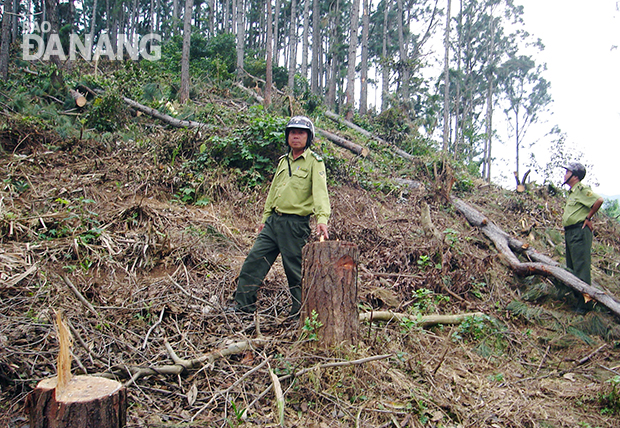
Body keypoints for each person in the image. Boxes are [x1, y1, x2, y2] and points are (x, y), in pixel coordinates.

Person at [229, 116, 331, 318]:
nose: (296, 136)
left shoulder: (314, 162)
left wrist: (322, 219)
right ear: (287, 136)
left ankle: (300, 314)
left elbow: (320, 192)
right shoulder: (283, 162)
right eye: (292, 132)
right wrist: (265, 217)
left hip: (295, 224)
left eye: (301, 133)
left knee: (294, 270)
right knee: (254, 260)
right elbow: (274, 190)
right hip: (273, 223)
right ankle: (242, 305)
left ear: (308, 137)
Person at [561, 162, 604, 309]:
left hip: (579, 231)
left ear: (575, 176)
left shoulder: (581, 189)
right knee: (572, 266)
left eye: (567, 172)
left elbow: (599, 200)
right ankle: (577, 298)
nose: (565, 175)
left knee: (581, 268)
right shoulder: (573, 192)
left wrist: (588, 218)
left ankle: (585, 305)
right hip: (571, 232)